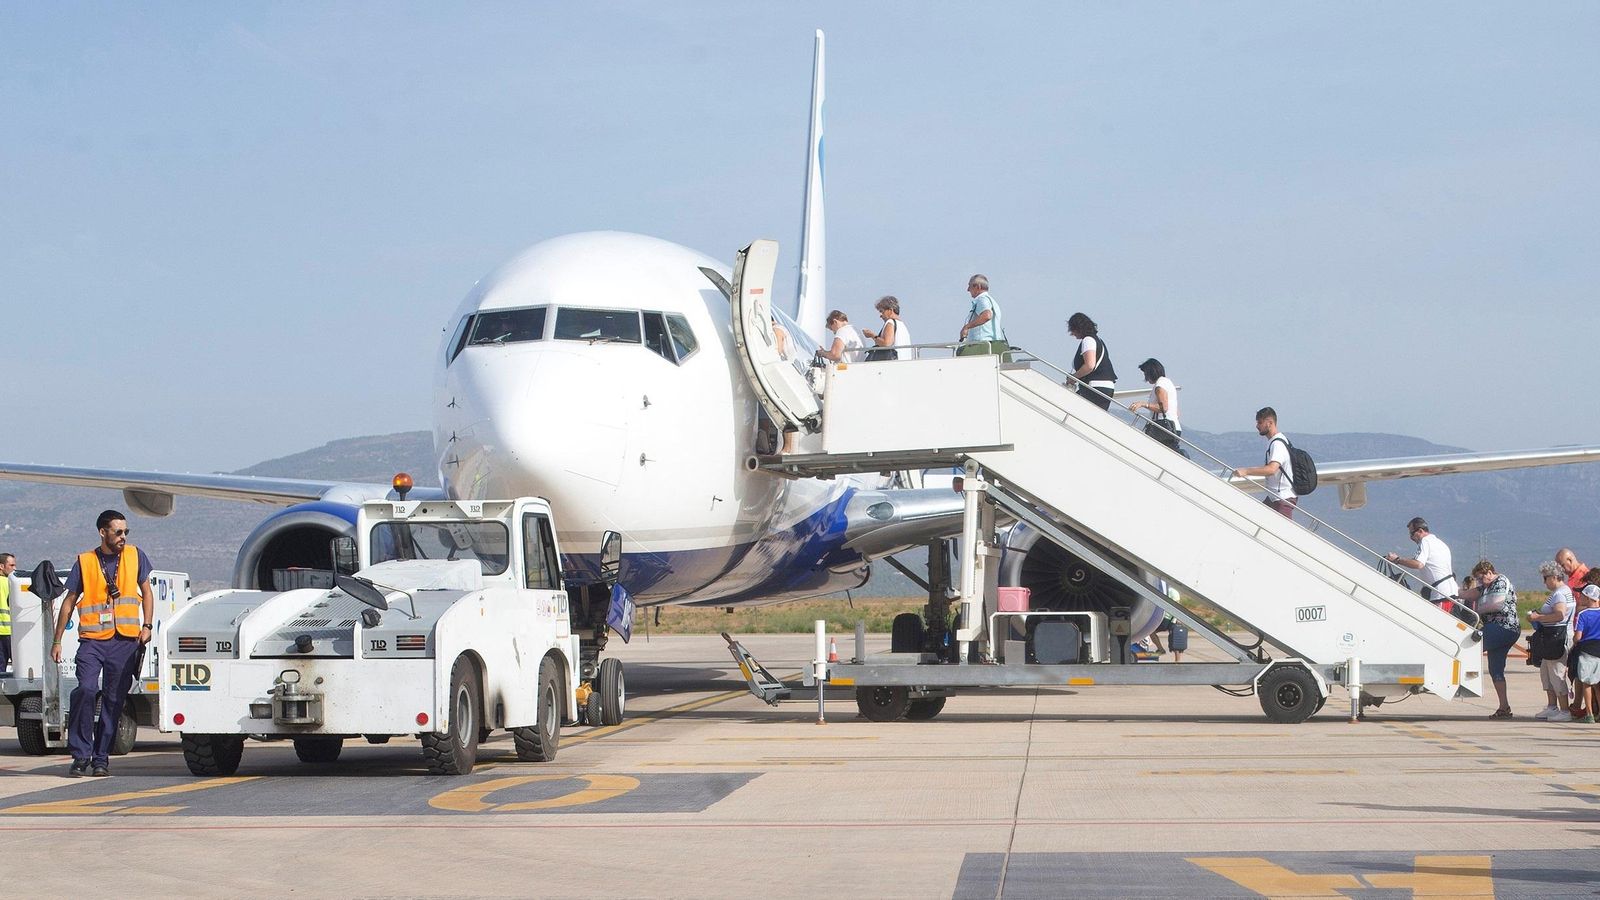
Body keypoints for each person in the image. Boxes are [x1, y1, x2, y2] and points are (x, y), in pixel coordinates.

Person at [50, 509, 155, 777]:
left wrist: (147, 625)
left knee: (113, 700)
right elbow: (69, 601)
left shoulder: (135, 555)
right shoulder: (85, 561)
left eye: (126, 532)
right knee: (85, 690)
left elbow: (146, 592)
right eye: (118, 532)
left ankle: (101, 759)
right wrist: (57, 639)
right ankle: (80, 755)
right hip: (93, 641)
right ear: (103, 532)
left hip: (125, 641)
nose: (123, 536)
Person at [1459, 560, 1518, 717]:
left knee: (1470, 647)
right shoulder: (1487, 585)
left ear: (1489, 573)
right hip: (1497, 628)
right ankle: (1504, 707)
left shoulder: (1500, 581)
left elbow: (1496, 605)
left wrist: (1477, 609)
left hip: (1503, 627)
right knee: (1495, 669)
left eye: (1480, 578)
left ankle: (1462, 680)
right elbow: (1473, 593)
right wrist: (1456, 593)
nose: (1479, 582)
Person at [1528, 560, 1573, 723]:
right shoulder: (1561, 592)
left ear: (1554, 577)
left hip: (1557, 638)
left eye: (1545, 578)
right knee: (1546, 672)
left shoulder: (1560, 593)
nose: (1544, 582)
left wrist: (1538, 617)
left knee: (1556, 673)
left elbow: (1560, 614)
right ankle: (1552, 706)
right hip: (1551, 637)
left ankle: (1564, 710)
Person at [1232, 407, 1297, 519]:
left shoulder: (1277, 444)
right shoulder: (1275, 442)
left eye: (1260, 422)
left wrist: (1246, 471)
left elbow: (1272, 469)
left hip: (1282, 499)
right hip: (1274, 498)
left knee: (1279, 533)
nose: (1257, 426)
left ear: (1270, 423)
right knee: (1256, 519)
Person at [1384, 518, 1458, 602]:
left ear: (1420, 531)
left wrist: (1397, 560)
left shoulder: (1425, 541)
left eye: (1412, 534)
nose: (1411, 538)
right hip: (1450, 591)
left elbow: (1418, 564)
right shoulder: (1440, 543)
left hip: (1440, 594)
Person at [1128, 358, 1182, 453]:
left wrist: (1144, 404)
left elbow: (1164, 408)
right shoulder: (1169, 384)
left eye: (1146, 374)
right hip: (1174, 427)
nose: (1145, 378)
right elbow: (1177, 412)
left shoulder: (1159, 386)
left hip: (1163, 429)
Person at [1065, 313, 1116, 409]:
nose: (1072, 333)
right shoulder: (1098, 340)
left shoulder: (1088, 340)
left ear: (1078, 328)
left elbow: (1089, 365)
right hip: (1105, 387)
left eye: (1072, 329)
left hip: (1095, 387)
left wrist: (1073, 377)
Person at [1570, 571, 1600, 724]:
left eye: (1582, 595)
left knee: (1587, 683)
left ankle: (1589, 713)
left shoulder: (1583, 614)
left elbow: (1578, 636)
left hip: (1586, 651)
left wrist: (1574, 642)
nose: (1579, 597)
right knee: (1598, 684)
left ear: (1588, 598)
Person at [956, 274, 1009, 357]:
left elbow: (987, 315)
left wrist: (967, 327)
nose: (968, 290)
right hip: (995, 345)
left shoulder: (981, 299)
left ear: (978, 287)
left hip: (982, 346)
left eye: (969, 286)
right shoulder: (992, 302)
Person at [861, 295, 912, 361]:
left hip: (892, 364)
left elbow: (887, 343)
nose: (881, 315)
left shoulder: (890, 322)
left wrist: (872, 335)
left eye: (882, 311)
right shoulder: (902, 325)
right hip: (904, 362)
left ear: (890, 310)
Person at [0, 552, 16, 673]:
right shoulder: (10, 584)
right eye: (11, 565)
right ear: (1, 566)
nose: (14, 568)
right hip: (10, 632)